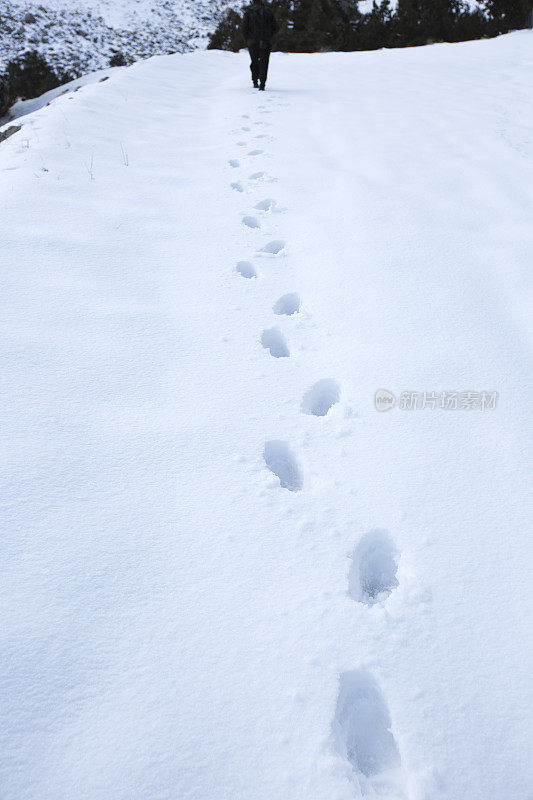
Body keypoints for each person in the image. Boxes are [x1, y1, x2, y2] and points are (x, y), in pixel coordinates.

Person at [242, 0, 278, 91]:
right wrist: (269, 37)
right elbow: (275, 27)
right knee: (264, 62)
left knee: (254, 61)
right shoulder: (268, 11)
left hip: (252, 42)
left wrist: (247, 39)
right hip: (266, 41)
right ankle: (262, 84)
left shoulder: (249, 12)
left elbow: (244, 28)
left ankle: (255, 81)